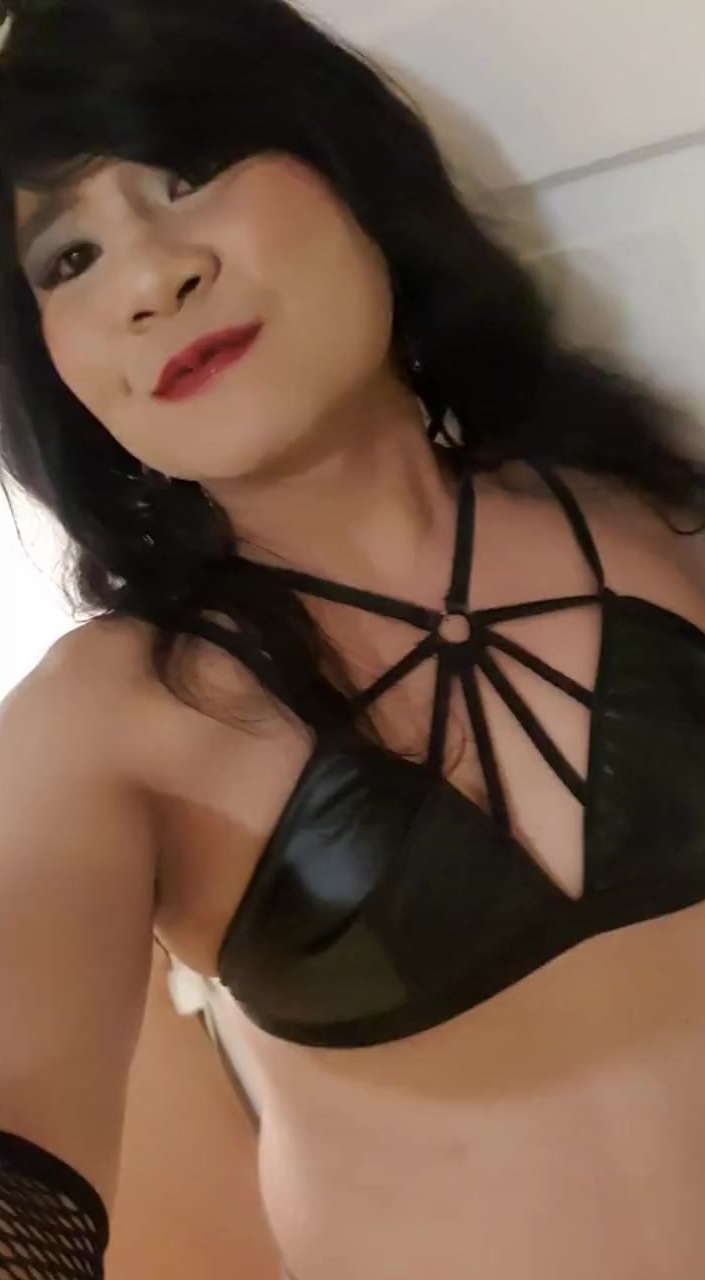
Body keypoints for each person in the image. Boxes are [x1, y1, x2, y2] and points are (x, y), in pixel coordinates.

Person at [1, 1, 705, 1277]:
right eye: (69, 258)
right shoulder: (110, 718)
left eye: (188, 173)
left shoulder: (658, 513)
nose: (153, 279)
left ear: (345, 169)